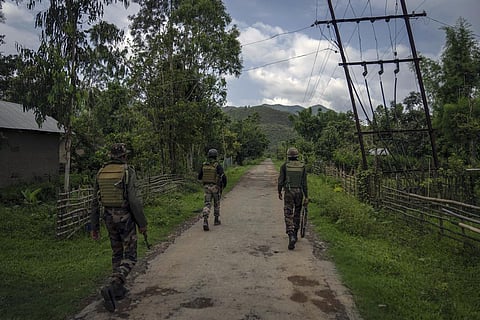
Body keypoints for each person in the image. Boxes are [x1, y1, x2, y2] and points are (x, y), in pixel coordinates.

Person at [90, 143, 148, 312]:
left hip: (108, 217)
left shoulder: (101, 173)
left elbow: (95, 202)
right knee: (130, 255)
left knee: (117, 252)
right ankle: (113, 284)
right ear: (124, 156)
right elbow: (134, 201)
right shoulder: (128, 171)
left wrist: (94, 227)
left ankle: (118, 290)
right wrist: (142, 224)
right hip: (124, 217)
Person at [277, 147, 308, 250]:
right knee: (297, 213)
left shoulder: (284, 166)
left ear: (288, 156)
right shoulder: (302, 166)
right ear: (297, 156)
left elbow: (281, 180)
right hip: (299, 192)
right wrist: (306, 196)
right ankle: (295, 232)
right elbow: (304, 183)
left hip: (289, 192)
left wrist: (279, 191)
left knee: (288, 213)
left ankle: (291, 235)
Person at [197, 148, 227, 231]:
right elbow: (223, 176)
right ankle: (216, 220)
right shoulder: (217, 165)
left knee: (207, 204)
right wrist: (223, 186)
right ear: (216, 156)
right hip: (215, 187)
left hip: (206, 187)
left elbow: (199, 177)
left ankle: (205, 220)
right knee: (216, 204)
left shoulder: (204, 165)